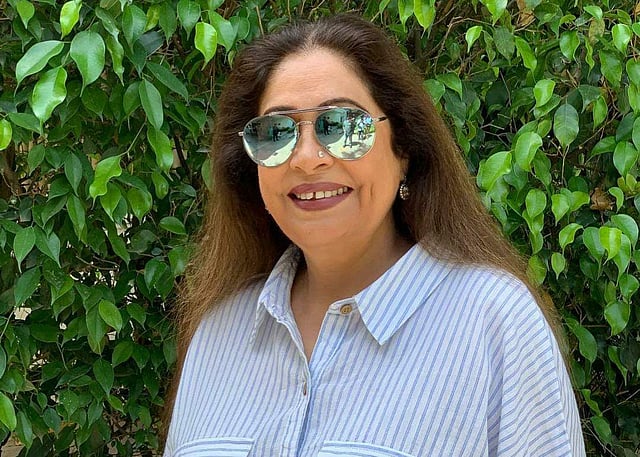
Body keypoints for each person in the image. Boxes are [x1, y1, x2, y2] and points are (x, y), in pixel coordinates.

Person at [163, 14, 585, 457]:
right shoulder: (218, 330)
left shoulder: (494, 322)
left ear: (403, 149)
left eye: (344, 125)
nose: (307, 158)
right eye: (276, 132)